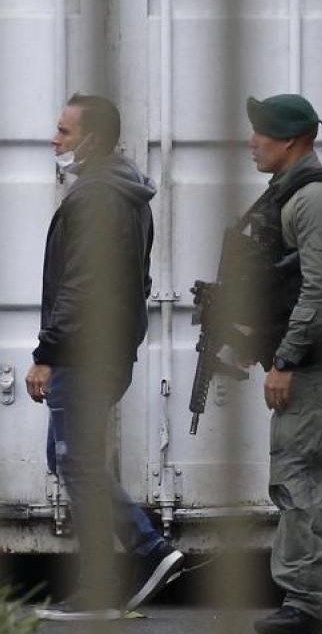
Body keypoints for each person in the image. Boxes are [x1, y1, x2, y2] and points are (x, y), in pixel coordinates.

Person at [29, 94, 185, 621]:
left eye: (63, 131)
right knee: (67, 459)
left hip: (83, 353)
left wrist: (47, 353)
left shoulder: (97, 197)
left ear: (92, 140)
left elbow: (82, 287)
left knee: (76, 462)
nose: (55, 139)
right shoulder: (127, 193)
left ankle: (139, 558)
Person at [243, 94, 322, 634]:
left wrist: (286, 358)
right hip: (316, 361)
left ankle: (306, 603)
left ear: (292, 140)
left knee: (298, 481)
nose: (253, 142)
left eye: (261, 134)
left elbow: (321, 292)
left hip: (312, 365)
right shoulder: (291, 194)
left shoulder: (313, 199)